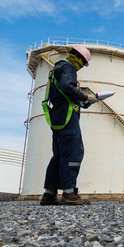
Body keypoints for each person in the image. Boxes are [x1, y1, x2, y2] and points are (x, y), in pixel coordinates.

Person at [40, 45, 99, 206]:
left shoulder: (56, 69)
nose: (81, 66)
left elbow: (64, 93)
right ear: (79, 58)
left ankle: (49, 194)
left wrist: (85, 101)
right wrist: (86, 95)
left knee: (59, 154)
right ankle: (68, 193)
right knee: (73, 152)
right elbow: (67, 86)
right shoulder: (68, 67)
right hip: (67, 117)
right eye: (83, 63)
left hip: (57, 117)